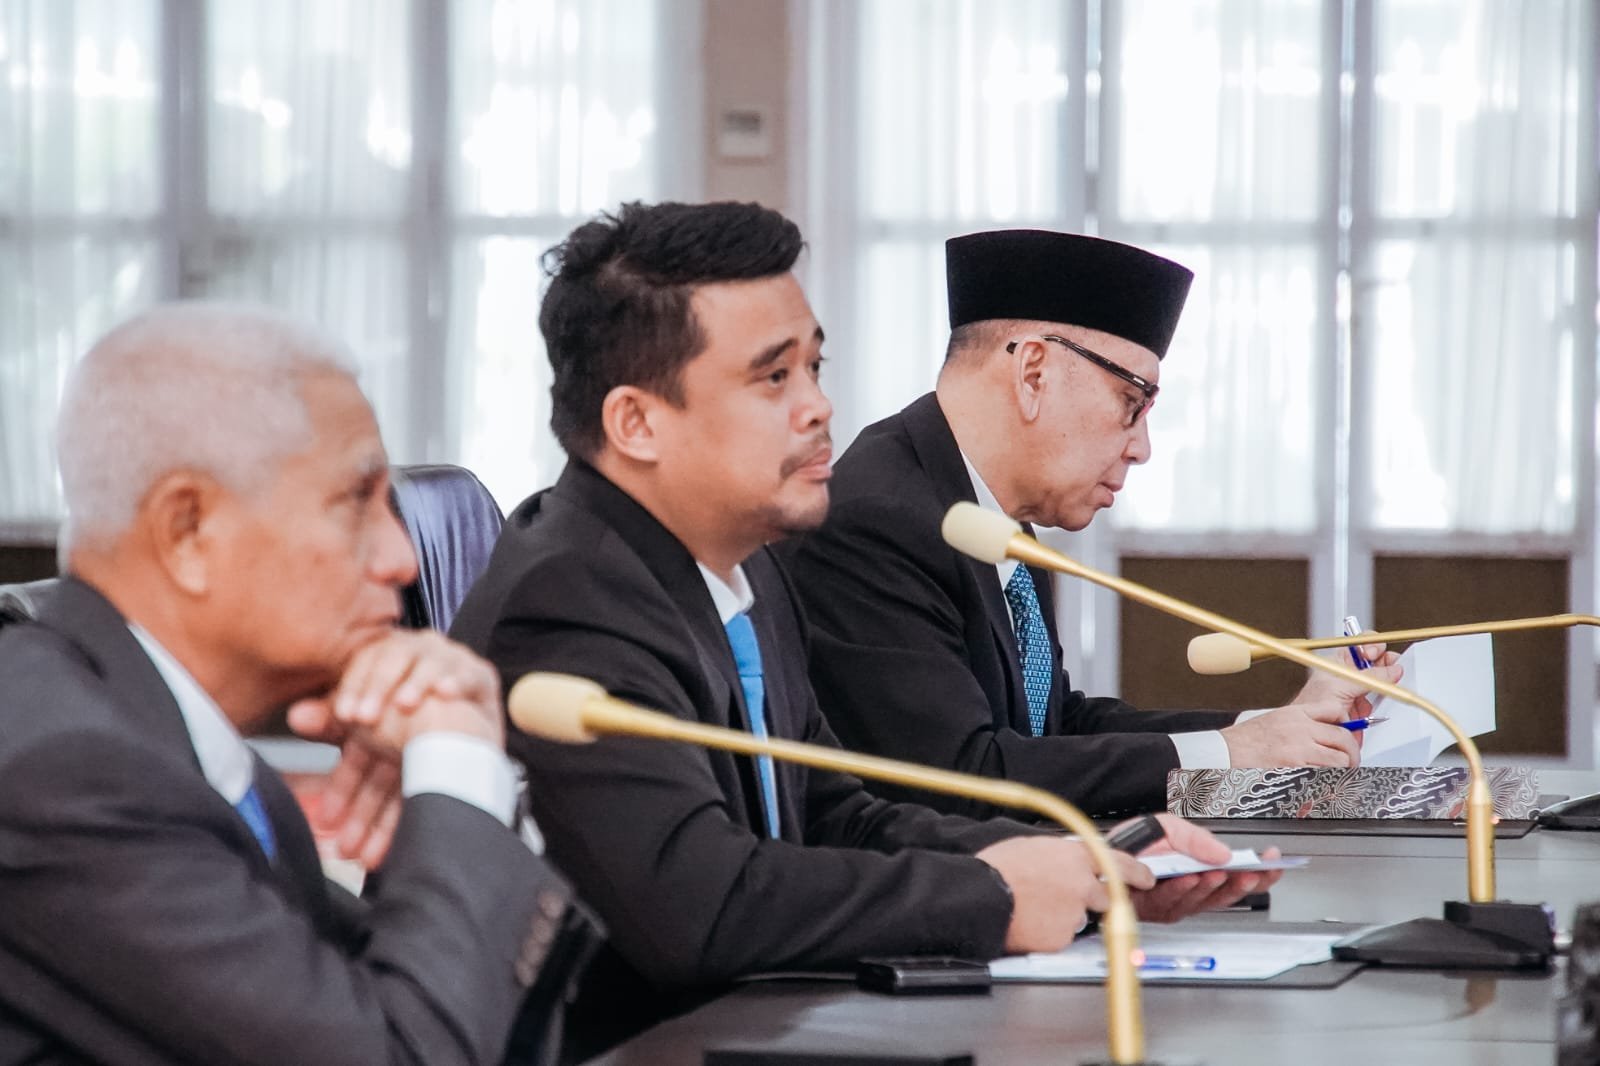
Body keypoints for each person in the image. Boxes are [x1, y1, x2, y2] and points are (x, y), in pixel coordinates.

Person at [450, 202, 1281, 1060]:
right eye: (773, 378)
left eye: (815, 368)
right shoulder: (568, 599)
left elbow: (833, 811)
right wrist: (993, 895)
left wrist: (1088, 867)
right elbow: (705, 905)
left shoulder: (748, 569)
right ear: (637, 423)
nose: (818, 407)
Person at [0, 304, 586, 1065]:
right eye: (356, 502)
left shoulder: (191, 756)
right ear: (188, 531)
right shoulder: (68, 770)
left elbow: (386, 1004)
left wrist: (440, 816)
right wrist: (458, 762)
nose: (403, 560)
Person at [783, 229, 1401, 818]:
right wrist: (1234, 753)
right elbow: (961, 777)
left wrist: (1271, 731)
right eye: (1131, 404)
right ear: (1033, 373)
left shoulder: (988, 513)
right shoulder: (877, 520)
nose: (1142, 448)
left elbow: (1052, 728)